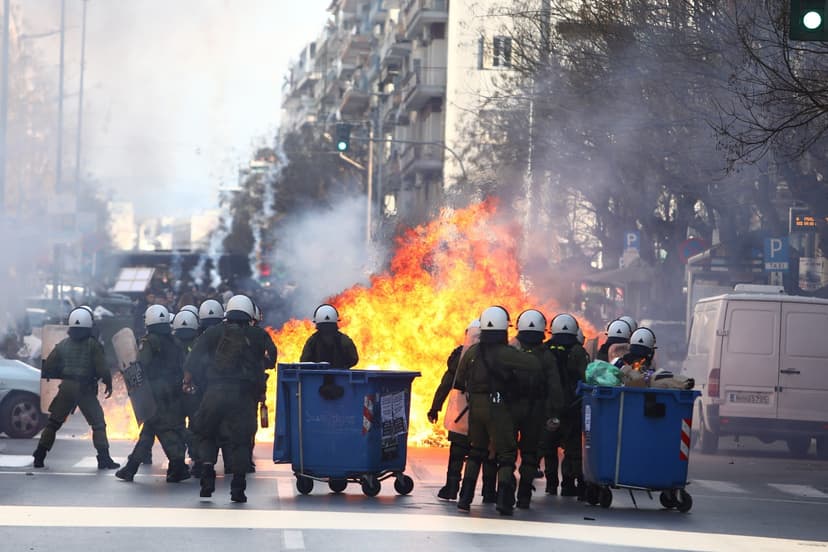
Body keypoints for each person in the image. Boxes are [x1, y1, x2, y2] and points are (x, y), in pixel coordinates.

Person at [185, 294, 277, 503]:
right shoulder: (259, 334)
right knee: (241, 440)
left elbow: (194, 359)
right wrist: (259, 361)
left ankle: (207, 473)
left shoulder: (213, 332)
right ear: (249, 313)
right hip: (243, 397)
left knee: (207, 432)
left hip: (214, 393)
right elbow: (272, 358)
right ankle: (238, 487)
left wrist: (188, 380)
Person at [455, 306, 540, 516]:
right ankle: (503, 500)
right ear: (504, 330)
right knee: (506, 453)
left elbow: (459, 380)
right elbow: (534, 365)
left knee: (476, 451)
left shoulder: (473, 351)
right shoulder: (506, 353)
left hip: (476, 407)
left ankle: (465, 498)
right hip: (497, 407)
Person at [32, 308, 119, 470]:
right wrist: (108, 382)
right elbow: (102, 368)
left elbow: (49, 365)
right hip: (85, 389)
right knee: (98, 424)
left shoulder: (63, 344)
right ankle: (104, 459)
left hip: (66, 387)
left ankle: (39, 454)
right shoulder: (93, 345)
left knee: (53, 423)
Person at [115, 304, 190, 483]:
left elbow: (142, 365)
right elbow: (184, 364)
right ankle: (131, 468)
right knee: (152, 431)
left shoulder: (149, 342)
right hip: (175, 391)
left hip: (156, 392)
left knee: (162, 429)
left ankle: (178, 466)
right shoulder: (176, 342)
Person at [428, 320, 497, 502]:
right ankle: (489, 491)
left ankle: (451, 488)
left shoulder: (461, 355)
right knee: (489, 452)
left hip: (461, 415)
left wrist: (435, 407)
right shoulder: (498, 355)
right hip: (487, 413)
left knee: (458, 451)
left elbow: (446, 384)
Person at [511, 309, 564, 508]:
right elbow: (555, 387)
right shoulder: (546, 357)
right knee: (530, 453)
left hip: (512, 409)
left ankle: (503, 493)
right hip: (536, 411)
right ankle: (523, 495)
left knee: (506, 452)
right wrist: (555, 414)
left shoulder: (510, 352)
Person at [542, 313, 589, 498]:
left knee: (549, 446)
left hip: (548, 406)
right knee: (572, 448)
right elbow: (585, 377)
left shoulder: (544, 349)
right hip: (572, 406)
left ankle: (551, 484)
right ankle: (569, 484)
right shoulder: (578, 351)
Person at [172, 309, 202, 475]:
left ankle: (176, 463)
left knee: (177, 427)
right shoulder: (199, 343)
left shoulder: (170, 343)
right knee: (195, 426)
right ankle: (197, 461)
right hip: (193, 391)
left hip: (176, 392)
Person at [300, 304, 359, 368]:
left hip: (317, 377)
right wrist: (343, 367)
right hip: (341, 376)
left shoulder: (312, 340)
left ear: (317, 322)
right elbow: (353, 359)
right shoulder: (344, 340)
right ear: (335, 321)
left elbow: (304, 361)